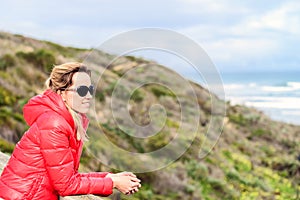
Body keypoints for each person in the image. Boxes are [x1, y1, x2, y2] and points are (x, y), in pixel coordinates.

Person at [0, 62, 141, 199]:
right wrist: (113, 183)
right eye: (82, 90)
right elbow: (66, 185)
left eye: (90, 89)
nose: (89, 96)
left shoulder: (66, 121)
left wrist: (110, 177)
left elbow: (66, 176)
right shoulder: (54, 124)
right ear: (62, 93)